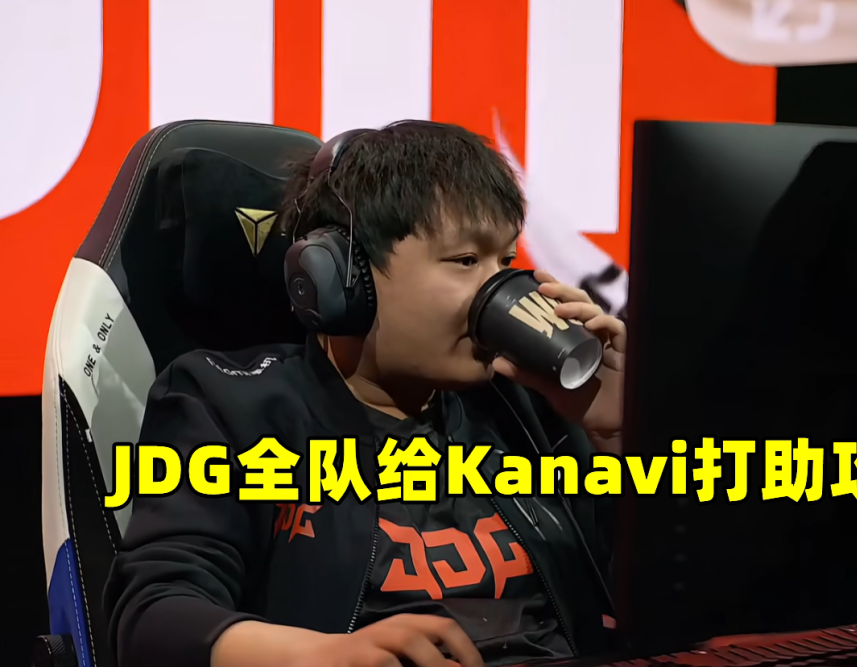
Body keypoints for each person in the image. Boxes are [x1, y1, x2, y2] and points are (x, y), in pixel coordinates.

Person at [103, 120, 627, 667]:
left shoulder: (528, 407)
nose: (503, 291)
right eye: (467, 262)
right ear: (343, 277)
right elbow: (152, 618)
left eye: (507, 263)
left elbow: (666, 600)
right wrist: (325, 656)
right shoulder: (231, 407)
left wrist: (618, 435)